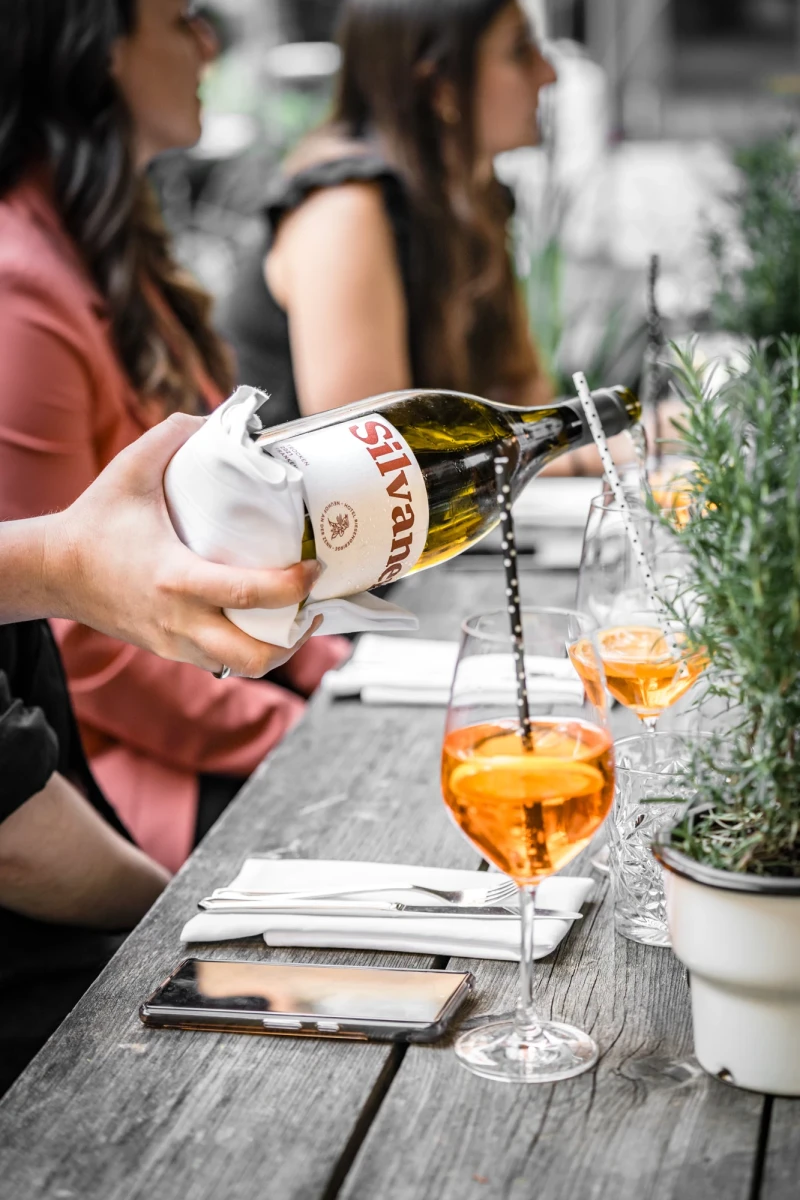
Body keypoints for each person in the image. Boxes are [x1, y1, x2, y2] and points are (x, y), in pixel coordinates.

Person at [0, 0, 348, 873]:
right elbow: (77, 639)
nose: (210, 42)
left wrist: (328, 669)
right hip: (148, 775)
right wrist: (294, 722)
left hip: (226, 689)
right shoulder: (20, 288)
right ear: (98, 47)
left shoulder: (113, 242)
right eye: (184, 18)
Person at [219, 0, 558, 428]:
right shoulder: (345, 209)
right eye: (520, 51)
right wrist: (589, 452)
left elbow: (522, 391)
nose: (548, 73)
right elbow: (375, 453)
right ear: (441, 86)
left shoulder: (473, 201)